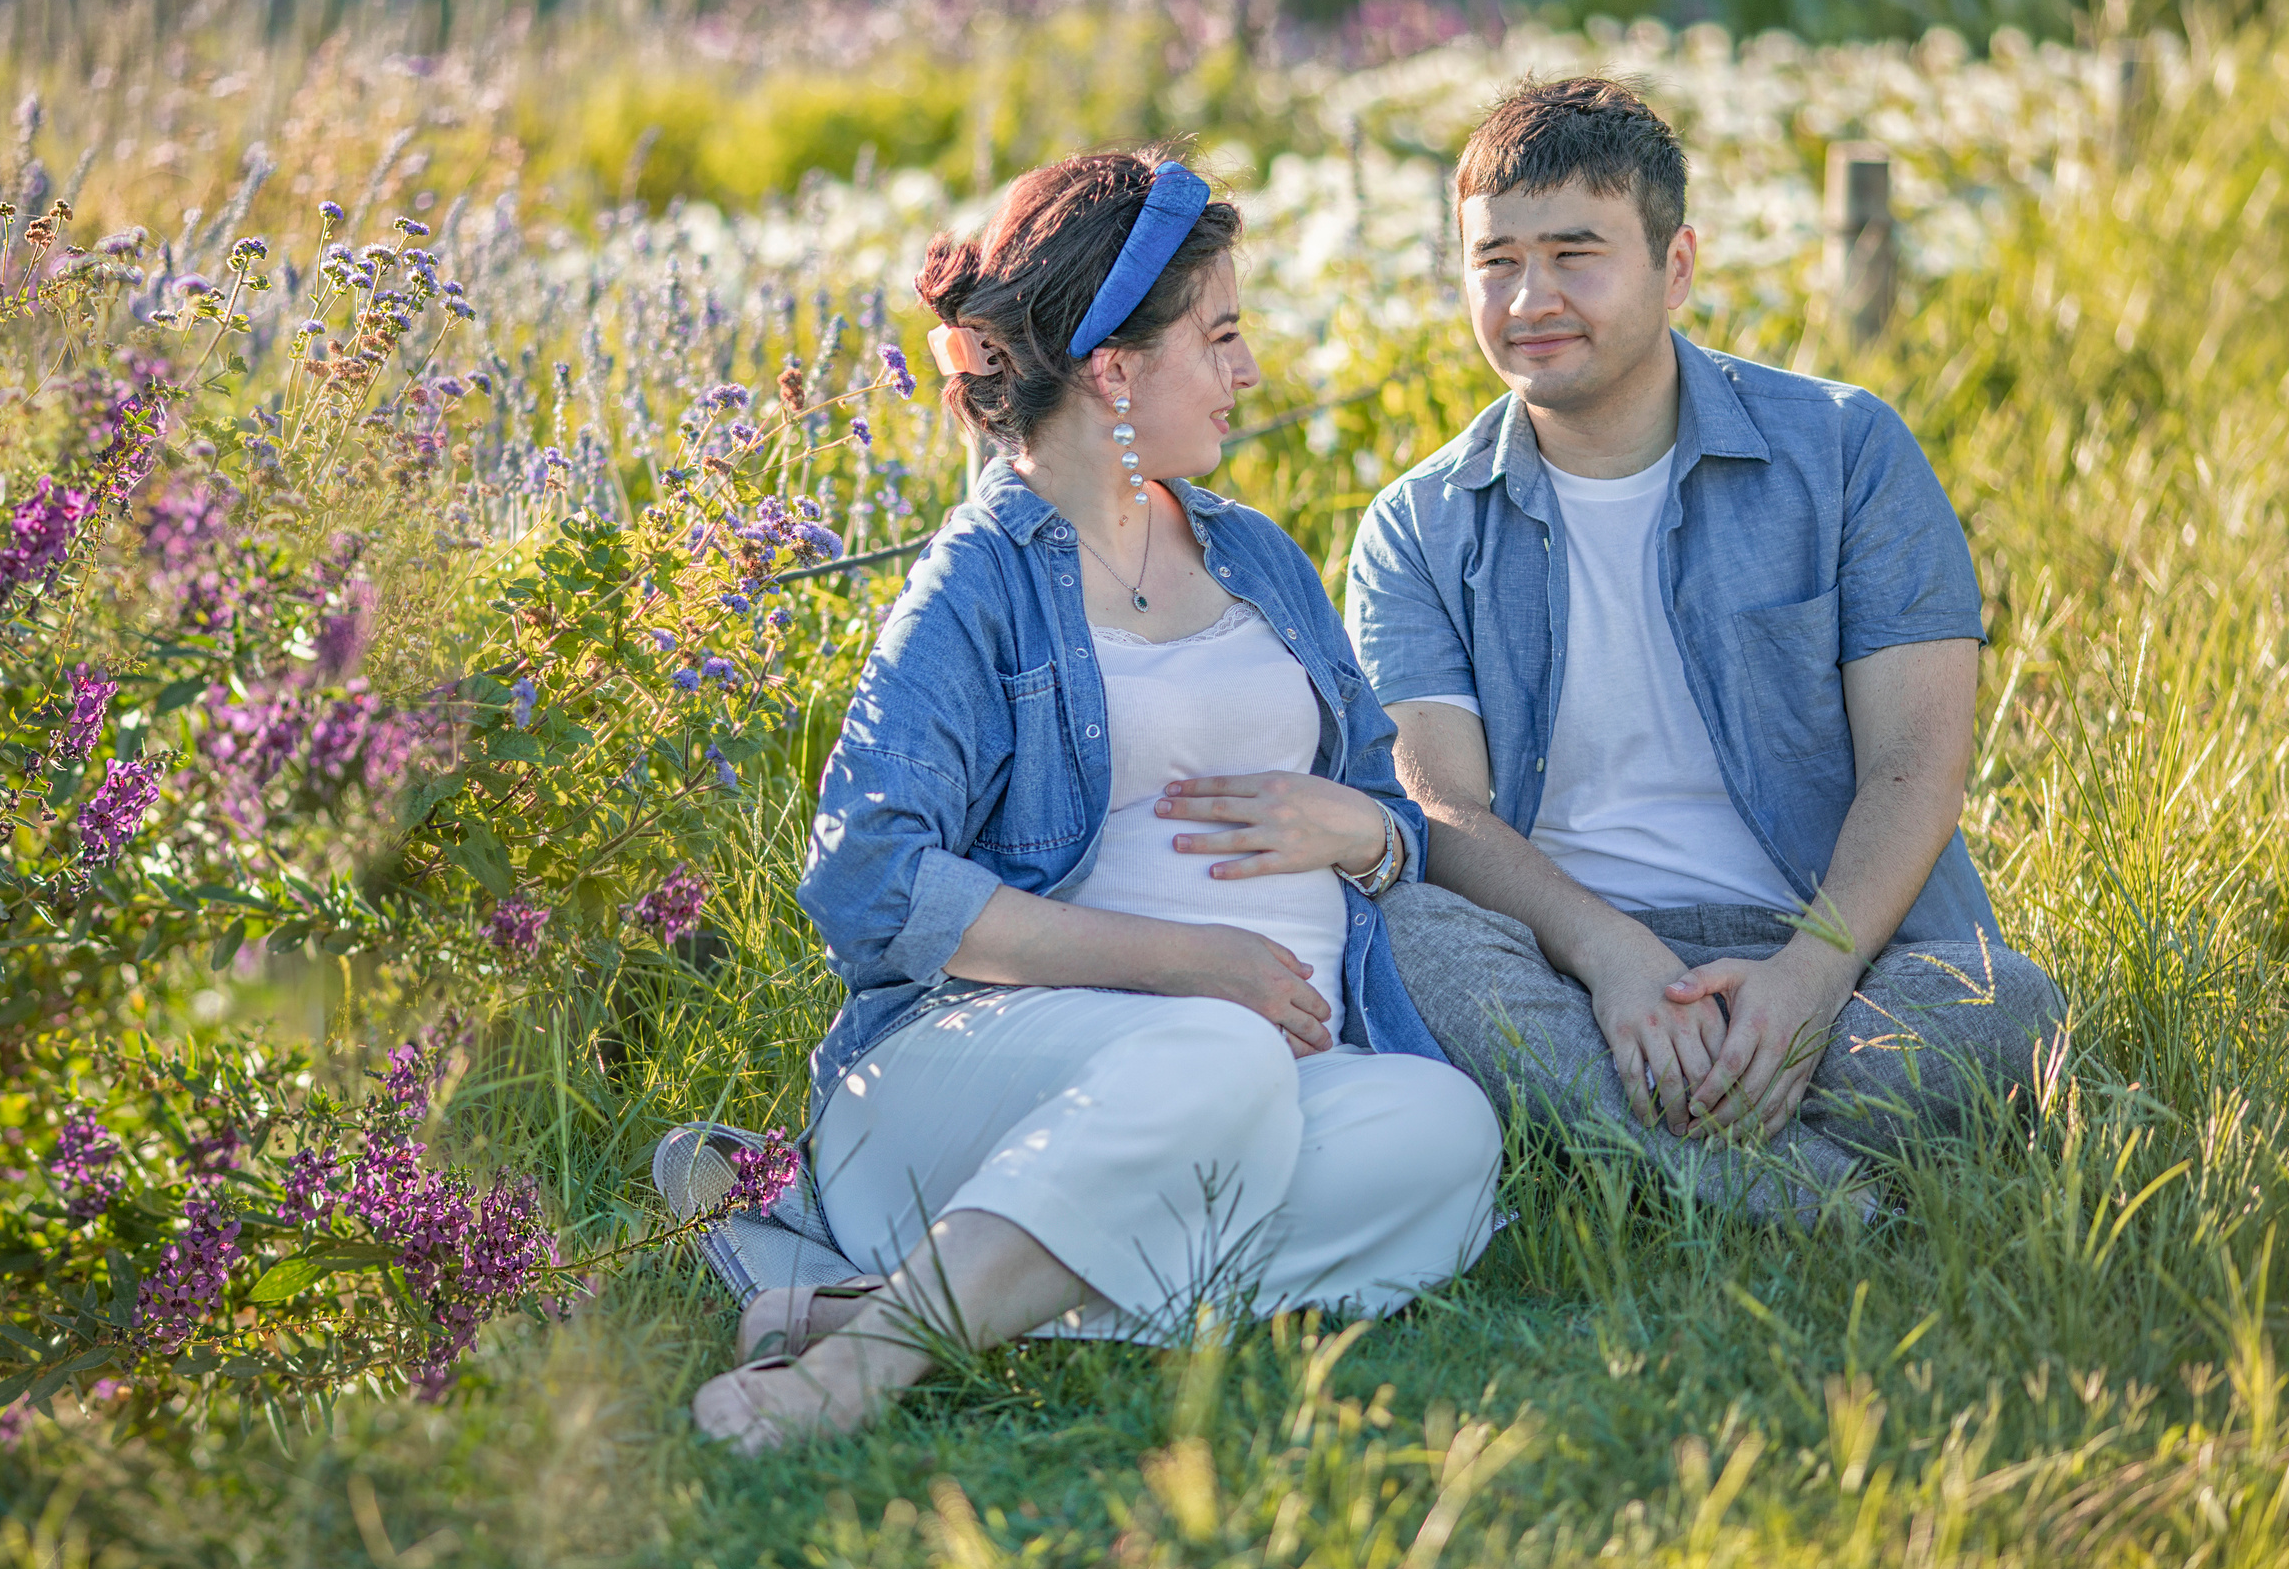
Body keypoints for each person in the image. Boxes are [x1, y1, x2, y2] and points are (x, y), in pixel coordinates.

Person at [692, 151, 1502, 1452]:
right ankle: (867, 1368)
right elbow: (872, 877)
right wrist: (1190, 965)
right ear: (1115, 369)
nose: (1248, 370)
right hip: (979, 1083)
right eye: (1220, 336)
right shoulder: (980, 587)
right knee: (1214, 1052)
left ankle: (892, 1299)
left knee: (1443, 1134)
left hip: (1244, 1090)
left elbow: (1372, 802)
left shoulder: (1255, 555)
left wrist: (1364, 833)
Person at [1344, 78, 2064, 1223]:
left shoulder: (1844, 450)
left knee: (2000, 1005)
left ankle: (1627, 1152)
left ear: (1676, 266)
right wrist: (1615, 958)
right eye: (1495, 261)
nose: (1530, 298)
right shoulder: (1418, 524)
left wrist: (1810, 980)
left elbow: (1913, 769)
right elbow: (1444, 812)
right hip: (1565, 962)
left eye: (1576, 253)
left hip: (1834, 939)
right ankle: (1794, 1191)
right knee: (1399, 936)